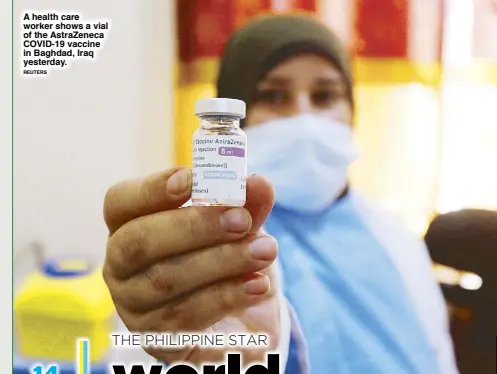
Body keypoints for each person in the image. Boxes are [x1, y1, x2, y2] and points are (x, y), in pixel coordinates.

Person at [103, 13, 458, 373]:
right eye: (273, 96)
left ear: (353, 111)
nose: (303, 118)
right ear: (235, 116)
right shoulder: (196, 251)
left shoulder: (397, 239)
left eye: (324, 96)